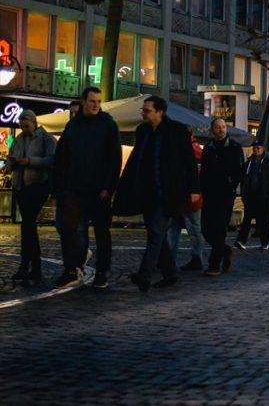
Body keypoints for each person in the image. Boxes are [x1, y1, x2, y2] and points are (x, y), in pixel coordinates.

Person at [121, 96, 199, 291]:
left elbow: (189, 163)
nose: (143, 113)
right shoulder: (143, 131)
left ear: (160, 112)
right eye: (143, 110)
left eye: (147, 110)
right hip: (147, 192)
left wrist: (194, 189)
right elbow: (137, 159)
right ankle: (170, 273)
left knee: (156, 234)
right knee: (158, 234)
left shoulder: (177, 131)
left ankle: (144, 274)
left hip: (168, 193)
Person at [52, 87, 120, 289]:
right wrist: (60, 187)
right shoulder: (73, 125)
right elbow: (62, 157)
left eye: (99, 102)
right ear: (83, 102)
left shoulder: (108, 124)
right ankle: (71, 269)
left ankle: (102, 272)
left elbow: (114, 158)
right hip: (74, 187)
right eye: (92, 101)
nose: (96, 105)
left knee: (102, 233)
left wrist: (109, 186)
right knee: (69, 229)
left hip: (99, 189)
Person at [9, 110, 56, 286]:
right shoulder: (20, 139)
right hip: (21, 185)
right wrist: (11, 163)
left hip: (37, 186)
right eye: (21, 126)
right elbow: (13, 155)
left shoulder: (45, 138)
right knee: (28, 225)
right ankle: (33, 266)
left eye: (26, 126)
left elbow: (52, 160)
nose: (23, 129)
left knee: (28, 224)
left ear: (33, 122)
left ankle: (28, 265)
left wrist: (30, 161)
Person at [199, 118, 244, 275]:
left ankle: (214, 264)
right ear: (213, 130)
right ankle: (224, 250)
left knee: (219, 228)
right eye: (218, 127)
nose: (221, 129)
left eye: (223, 127)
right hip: (209, 193)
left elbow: (240, 171)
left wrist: (231, 184)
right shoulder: (209, 148)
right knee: (205, 228)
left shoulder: (234, 147)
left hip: (225, 194)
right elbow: (203, 170)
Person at [168, 127, 206, 271]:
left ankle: (194, 258)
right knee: (181, 227)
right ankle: (189, 258)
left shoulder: (191, 149)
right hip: (185, 195)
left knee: (190, 228)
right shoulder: (190, 148)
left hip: (189, 196)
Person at [235, 141, 269, 251]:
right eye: (255, 148)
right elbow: (243, 179)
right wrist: (244, 194)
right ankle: (241, 240)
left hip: (264, 196)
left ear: (263, 148)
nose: (256, 150)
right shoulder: (248, 163)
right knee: (247, 219)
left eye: (258, 148)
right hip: (251, 196)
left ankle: (264, 243)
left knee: (263, 221)